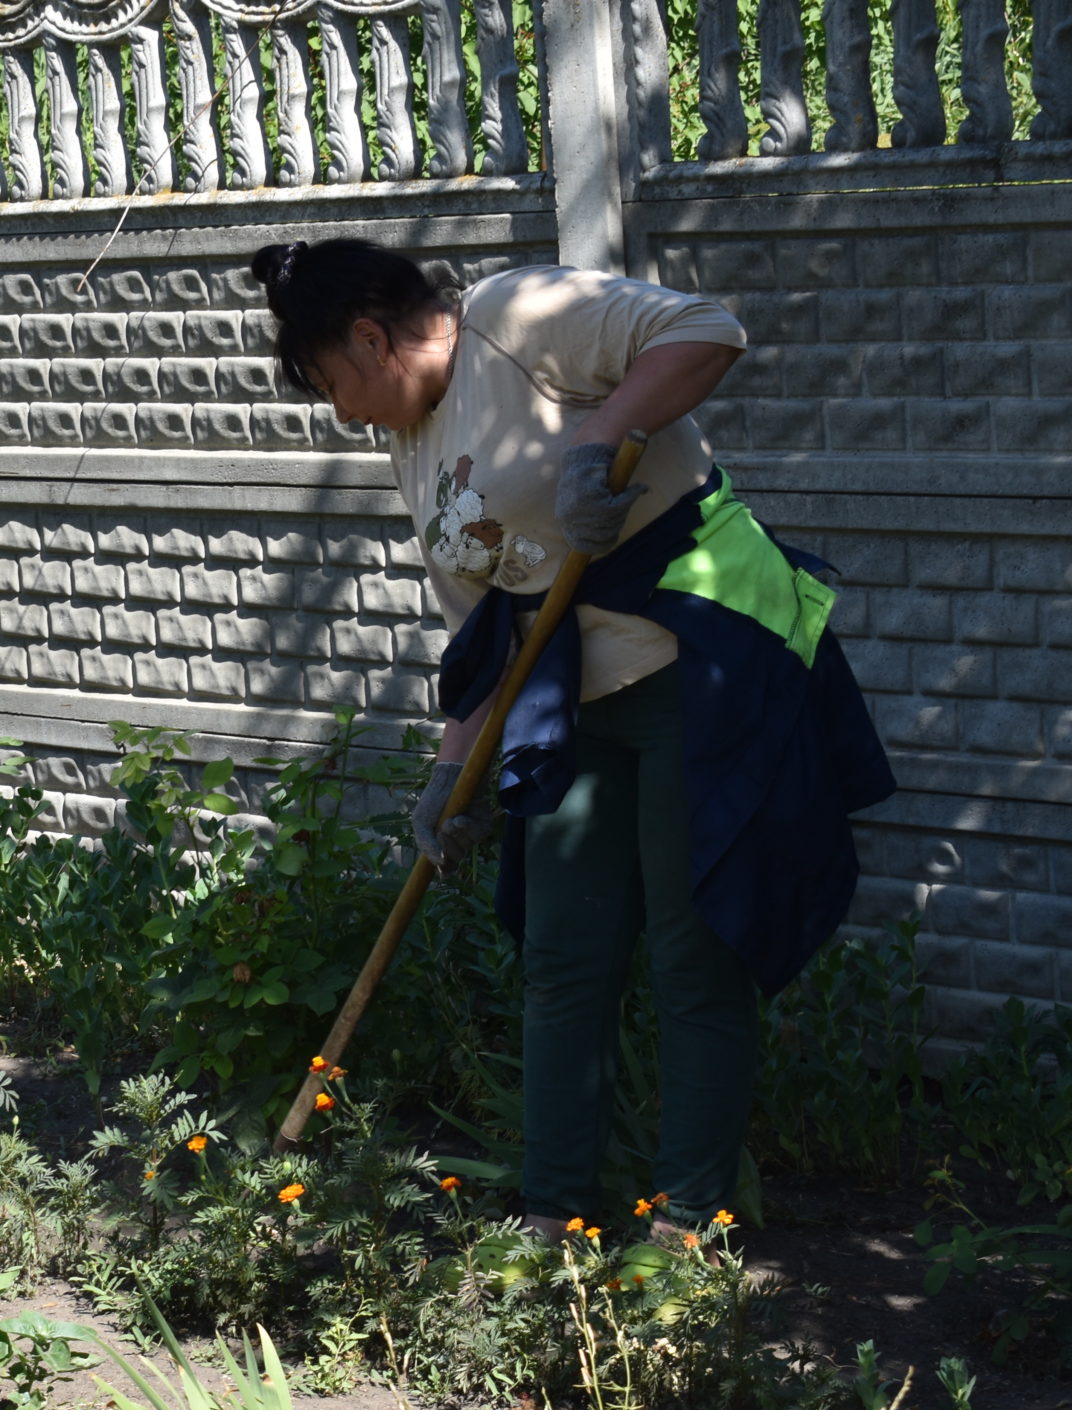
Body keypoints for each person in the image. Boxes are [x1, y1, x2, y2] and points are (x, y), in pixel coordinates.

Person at [249, 239, 893, 1241]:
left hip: (699, 663)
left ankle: (684, 1228)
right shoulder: (410, 438)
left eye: (333, 381)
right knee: (561, 957)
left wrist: (598, 440)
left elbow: (706, 330)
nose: (341, 411)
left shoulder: (518, 316)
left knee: (694, 955)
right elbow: (491, 625)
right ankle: (550, 1222)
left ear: (370, 339)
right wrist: (448, 774)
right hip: (573, 703)